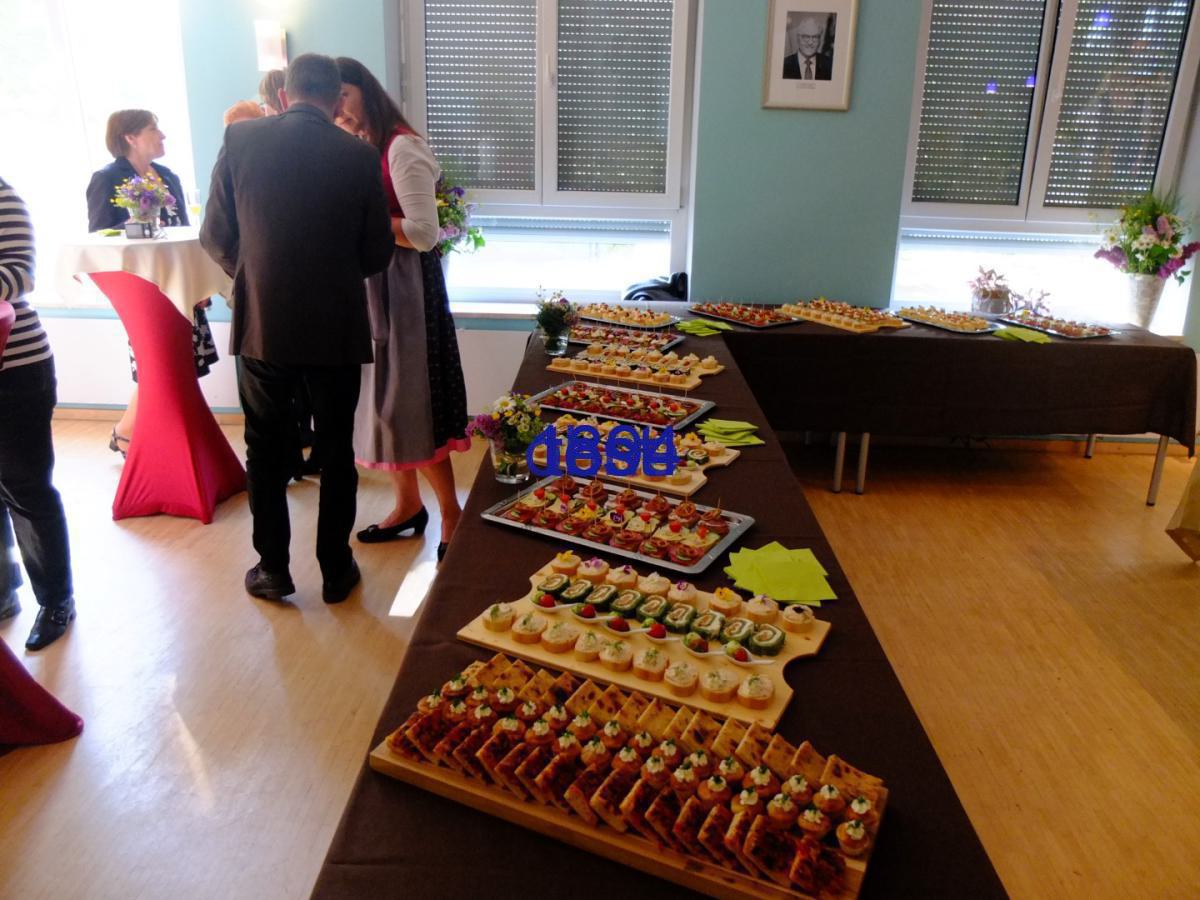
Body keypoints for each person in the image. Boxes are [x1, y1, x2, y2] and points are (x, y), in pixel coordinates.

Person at [200, 53, 394, 604]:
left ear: (284, 95)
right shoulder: (359, 155)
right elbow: (377, 252)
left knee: (264, 449)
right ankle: (336, 569)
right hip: (336, 327)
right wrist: (333, 277)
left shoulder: (240, 140)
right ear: (336, 100)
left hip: (264, 326)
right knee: (336, 450)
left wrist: (254, 275)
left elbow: (214, 235)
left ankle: (273, 569)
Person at [334, 57, 470, 562]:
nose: (338, 107)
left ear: (365, 91)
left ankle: (451, 513)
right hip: (376, 283)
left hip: (406, 287)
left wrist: (362, 221)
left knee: (410, 404)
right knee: (383, 404)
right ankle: (408, 505)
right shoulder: (362, 144)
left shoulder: (401, 147)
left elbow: (423, 233)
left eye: (344, 95)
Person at [86, 109, 218, 457]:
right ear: (130, 137)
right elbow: (99, 238)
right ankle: (131, 434)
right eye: (152, 129)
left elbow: (187, 233)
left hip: (180, 282)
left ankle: (152, 437)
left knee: (178, 365)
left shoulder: (168, 176)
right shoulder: (107, 178)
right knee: (158, 363)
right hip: (143, 288)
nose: (162, 135)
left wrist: (200, 283)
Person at [0, 177, 76, 650]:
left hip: (15, 368)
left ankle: (55, 600)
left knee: (26, 488)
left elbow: (20, 275)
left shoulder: (3, 197)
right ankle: (3, 592)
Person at [782, 14, 833, 81]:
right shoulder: (784, 65)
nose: (810, 42)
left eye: (815, 37)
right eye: (806, 37)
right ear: (798, 38)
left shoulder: (830, 65)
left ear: (820, 40)